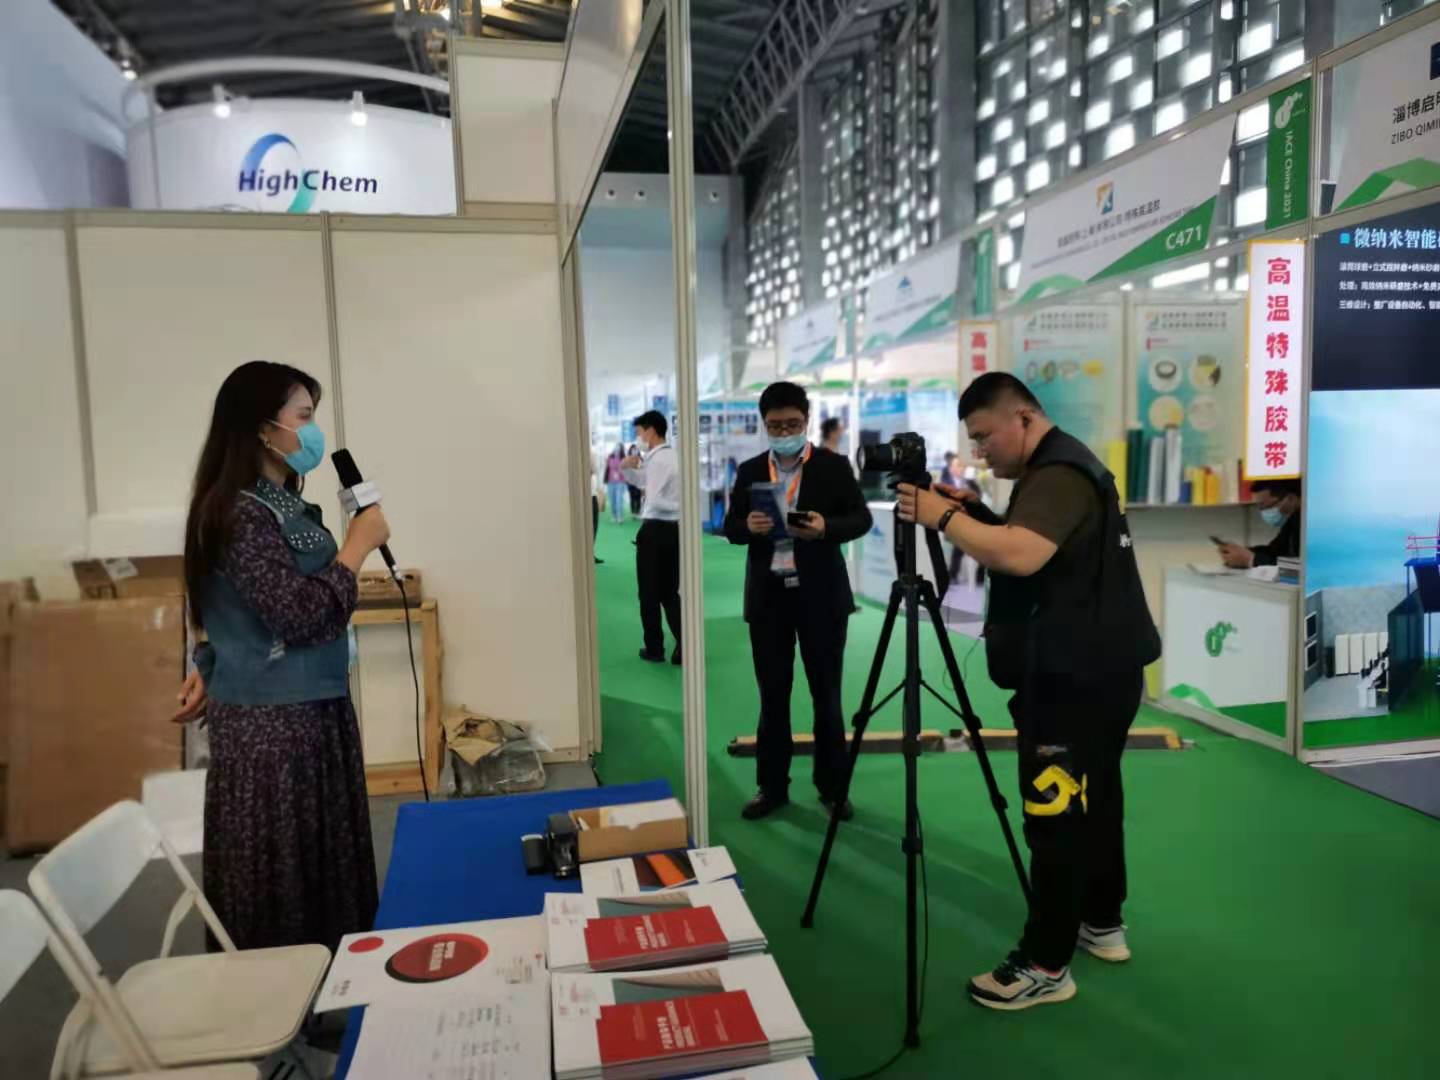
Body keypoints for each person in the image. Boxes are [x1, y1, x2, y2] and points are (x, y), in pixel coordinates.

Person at [896, 372, 1160, 1012]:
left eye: (984, 435)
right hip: (1103, 669)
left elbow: (1019, 556)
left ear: (1023, 417)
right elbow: (1044, 549)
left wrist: (944, 517)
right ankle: (1101, 921)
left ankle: (1045, 965)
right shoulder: (1061, 469)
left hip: (1072, 678)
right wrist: (976, 513)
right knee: (1097, 800)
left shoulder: (1059, 474)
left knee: (1055, 815)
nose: (980, 450)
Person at [169, 360, 390, 953]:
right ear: (263, 428)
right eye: (304, 416)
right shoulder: (240, 512)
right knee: (283, 883)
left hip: (314, 712)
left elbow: (240, 605)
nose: (313, 432)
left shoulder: (283, 504)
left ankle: (331, 980)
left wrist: (211, 657)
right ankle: (282, 995)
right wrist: (357, 547)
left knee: (325, 869)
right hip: (274, 732)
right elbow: (298, 614)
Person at [724, 382, 873, 822]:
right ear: (764, 425)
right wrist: (747, 527)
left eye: (792, 423)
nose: (784, 432)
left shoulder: (832, 466)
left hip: (821, 597)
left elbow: (861, 518)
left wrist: (827, 528)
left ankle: (833, 788)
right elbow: (730, 525)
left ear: (806, 420)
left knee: (826, 696)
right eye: (775, 425)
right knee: (773, 696)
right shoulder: (751, 470)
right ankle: (771, 787)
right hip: (769, 599)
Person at [623, 411, 682, 664]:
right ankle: (684, 643)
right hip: (673, 531)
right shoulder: (670, 456)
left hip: (654, 531)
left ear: (650, 430)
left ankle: (654, 648)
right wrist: (627, 469)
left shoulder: (657, 460)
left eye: (639, 432)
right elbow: (643, 483)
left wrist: (677, 507)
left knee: (648, 593)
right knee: (669, 592)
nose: (638, 438)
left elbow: (655, 499)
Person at [1218, 479, 1301, 568]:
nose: (1264, 512)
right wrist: (1242, 552)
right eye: (1260, 507)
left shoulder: (1309, 523)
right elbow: (1276, 551)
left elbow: (1302, 566)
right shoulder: (1294, 518)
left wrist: (1252, 559)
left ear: (1291, 499)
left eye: (1267, 507)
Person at [606, 444, 629, 523]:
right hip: (611, 482)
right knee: (612, 500)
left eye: (619, 448)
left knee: (619, 500)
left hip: (620, 482)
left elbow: (624, 469)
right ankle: (614, 515)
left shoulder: (624, 458)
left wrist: (619, 470)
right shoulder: (610, 457)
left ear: (621, 449)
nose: (617, 449)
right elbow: (611, 466)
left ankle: (620, 516)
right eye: (616, 447)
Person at [626, 443, 644, 516]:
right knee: (632, 496)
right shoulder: (627, 459)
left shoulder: (641, 459)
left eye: (636, 449)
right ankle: (633, 511)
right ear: (630, 450)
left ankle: (638, 510)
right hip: (630, 481)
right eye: (633, 449)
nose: (634, 451)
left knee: (638, 496)